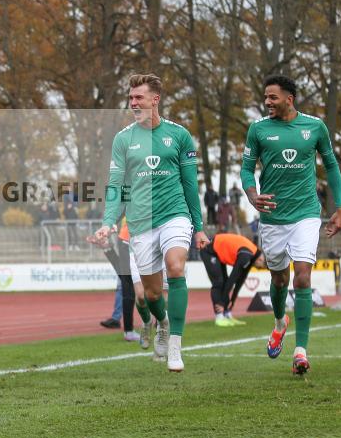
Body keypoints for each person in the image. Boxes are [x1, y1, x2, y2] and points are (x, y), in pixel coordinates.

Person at [95, 73, 209, 373]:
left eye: (138, 97)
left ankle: (175, 344)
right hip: (140, 222)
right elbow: (116, 184)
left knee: (175, 267)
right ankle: (162, 323)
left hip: (175, 215)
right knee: (152, 295)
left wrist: (198, 226)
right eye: (131, 98)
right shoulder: (123, 139)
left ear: (155, 100)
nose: (133, 103)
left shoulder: (180, 136)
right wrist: (108, 221)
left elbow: (189, 185)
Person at [240, 74, 341, 376]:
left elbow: (333, 166)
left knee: (301, 278)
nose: (267, 102)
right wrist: (253, 196)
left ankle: (301, 351)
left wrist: (339, 208)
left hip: (306, 214)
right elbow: (247, 170)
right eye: (265, 97)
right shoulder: (258, 130)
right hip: (272, 217)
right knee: (279, 281)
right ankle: (278, 322)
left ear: (290, 98)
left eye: (272, 97)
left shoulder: (314, 127)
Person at [90, 217, 153, 347]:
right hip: (130, 240)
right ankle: (131, 330)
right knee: (127, 284)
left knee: (126, 283)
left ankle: (107, 249)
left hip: (131, 239)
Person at [200, 232, 266, 327]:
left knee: (225, 282)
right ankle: (219, 316)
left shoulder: (252, 254)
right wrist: (222, 302)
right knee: (219, 282)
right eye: (259, 267)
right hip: (208, 250)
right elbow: (233, 278)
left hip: (218, 252)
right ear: (260, 260)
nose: (258, 268)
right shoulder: (246, 255)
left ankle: (227, 314)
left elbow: (240, 280)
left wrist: (233, 300)